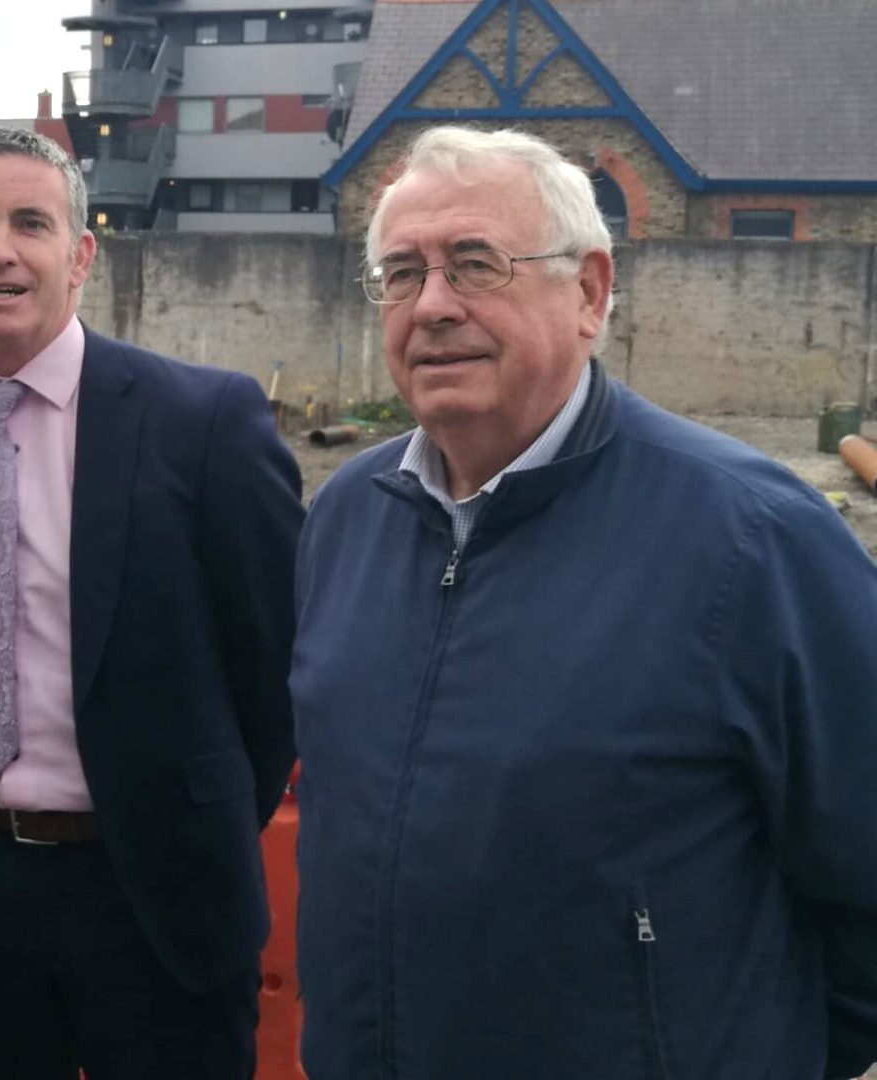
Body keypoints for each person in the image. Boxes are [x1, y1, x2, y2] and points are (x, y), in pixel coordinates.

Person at [291, 125, 877, 1080]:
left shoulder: (753, 539)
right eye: (401, 273)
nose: (431, 305)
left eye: (474, 263)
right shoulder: (347, 516)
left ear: (590, 294)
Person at [0, 126, 304, 1079]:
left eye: (31, 223)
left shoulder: (204, 424)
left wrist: (195, 820)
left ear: (82, 254)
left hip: (156, 892)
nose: (0, 251)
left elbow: (274, 668)